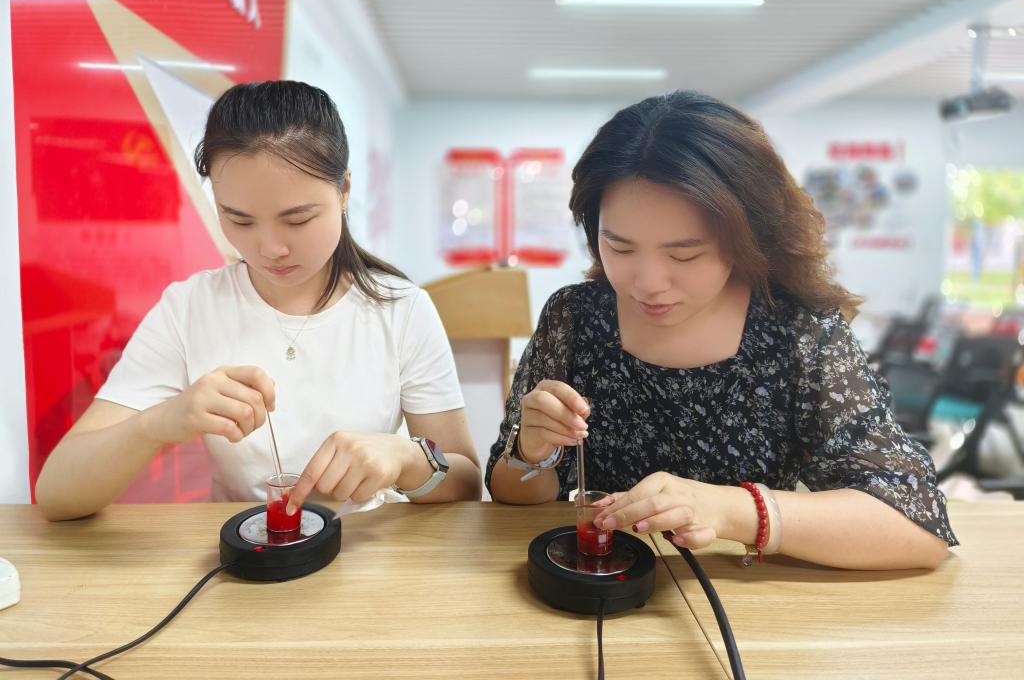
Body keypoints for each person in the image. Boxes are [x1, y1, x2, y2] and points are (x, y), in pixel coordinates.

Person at [485, 90, 954, 570]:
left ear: (748, 237)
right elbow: (511, 496)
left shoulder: (800, 333)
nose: (648, 283)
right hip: (598, 583)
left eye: (684, 254)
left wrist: (731, 510)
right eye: (619, 247)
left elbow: (917, 525)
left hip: (742, 599)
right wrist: (531, 452)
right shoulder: (575, 316)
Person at [37, 81, 481, 520]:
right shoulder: (189, 308)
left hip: (368, 548)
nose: (270, 248)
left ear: (344, 190)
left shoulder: (401, 309)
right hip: (243, 550)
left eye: (298, 219)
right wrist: (159, 423)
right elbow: (57, 493)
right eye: (240, 220)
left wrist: (405, 458)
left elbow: (465, 482)